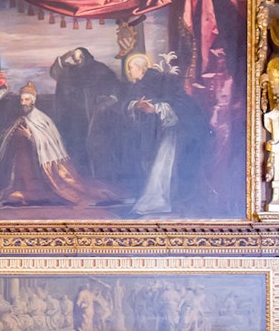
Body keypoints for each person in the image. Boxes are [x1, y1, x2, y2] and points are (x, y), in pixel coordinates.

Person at [0, 82, 98, 206]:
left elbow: (49, 142)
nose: (23, 103)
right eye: (21, 100)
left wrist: (30, 136)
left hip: (39, 169)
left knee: (35, 193)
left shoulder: (42, 119)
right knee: (12, 194)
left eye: (26, 99)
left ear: (33, 101)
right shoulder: (22, 117)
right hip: (22, 164)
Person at [121, 53, 210, 216]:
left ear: (140, 68)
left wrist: (156, 108)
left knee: (162, 165)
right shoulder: (137, 85)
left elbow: (180, 102)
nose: (129, 71)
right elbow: (128, 102)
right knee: (147, 163)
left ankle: (163, 199)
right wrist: (135, 104)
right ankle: (150, 195)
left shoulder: (160, 80)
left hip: (167, 133)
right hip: (147, 132)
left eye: (131, 68)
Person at [48, 47, 121, 172]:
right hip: (74, 113)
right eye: (74, 56)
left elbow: (112, 83)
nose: (75, 58)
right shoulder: (70, 70)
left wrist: (109, 99)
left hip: (91, 111)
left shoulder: (98, 68)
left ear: (85, 55)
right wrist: (64, 57)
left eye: (78, 55)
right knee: (75, 140)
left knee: (92, 141)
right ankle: (78, 170)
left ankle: (95, 171)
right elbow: (55, 72)